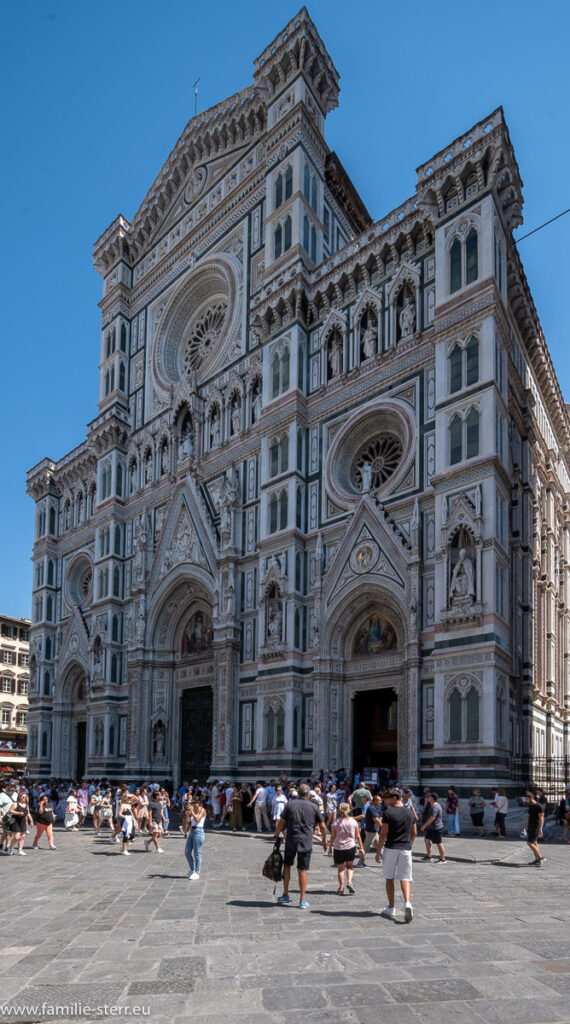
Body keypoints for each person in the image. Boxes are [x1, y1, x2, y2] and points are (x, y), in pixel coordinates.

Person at [274, 783, 327, 910]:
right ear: (308, 794)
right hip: (306, 842)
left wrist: (276, 834)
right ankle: (302, 900)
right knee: (302, 870)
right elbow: (324, 826)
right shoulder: (313, 806)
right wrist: (324, 840)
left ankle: (285, 894)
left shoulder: (290, 805)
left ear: (298, 793)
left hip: (291, 840)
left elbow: (281, 822)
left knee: (287, 866)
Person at [375, 787, 417, 922]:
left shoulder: (388, 813)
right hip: (406, 849)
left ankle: (391, 907)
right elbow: (414, 832)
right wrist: (409, 844)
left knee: (389, 878)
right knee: (405, 878)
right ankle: (407, 903)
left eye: (387, 799)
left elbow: (383, 833)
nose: (385, 801)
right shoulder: (410, 813)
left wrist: (378, 850)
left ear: (394, 798)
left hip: (391, 848)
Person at [330, 802, 365, 895]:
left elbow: (332, 836)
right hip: (350, 847)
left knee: (341, 869)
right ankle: (349, 882)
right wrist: (361, 847)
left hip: (338, 847)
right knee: (350, 866)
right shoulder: (354, 822)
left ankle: (341, 888)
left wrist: (330, 848)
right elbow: (358, 836)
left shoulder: (335, 822)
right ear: (349, 810)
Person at [356, 793, 383, 866]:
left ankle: (387, 860)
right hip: (371, 831)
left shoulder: (375, 808)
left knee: (378, 845)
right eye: (379, 801)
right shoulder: (372, 808)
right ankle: (360, 863)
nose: (381, 802)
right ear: (374, 801)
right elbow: (375, 820)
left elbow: (376, 819)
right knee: (365, 847)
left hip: (374, 831)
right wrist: (383, 827)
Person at [419, 793, 446, 863]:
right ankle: (429, 856)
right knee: (427, 840)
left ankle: (443, 859)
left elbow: (432, 818)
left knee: (439, 843)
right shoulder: (434, 805)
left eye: (429, 797)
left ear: (432, 798)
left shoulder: (435, 807)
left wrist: (424, 825)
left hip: (436, 828)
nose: (427, 798)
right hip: (432, 828)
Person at [185, 794, 206, 880]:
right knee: (187, 852)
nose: (193, 804)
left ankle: (197, 871)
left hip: (199, 832)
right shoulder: (192, 810)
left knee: (197, 853)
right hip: (192, 832)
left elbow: (197, 819)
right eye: (192, 802)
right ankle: (192, 869)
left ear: (199, 803)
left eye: (195, 803)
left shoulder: (202, 810)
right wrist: (187, 814)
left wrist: (192, 812)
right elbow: (188, 822)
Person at [523, 790, 545, 866]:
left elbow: (541, 818)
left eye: (526, 799)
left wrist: (540, 828)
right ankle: (537, 859)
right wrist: (524, 825)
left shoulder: (539, 806)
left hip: (535, 826)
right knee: (534, 843)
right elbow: (529, 816)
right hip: (531, 826)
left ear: (531, 798)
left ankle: (541, 858)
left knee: (529, 842)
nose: (526, 800)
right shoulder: (531, 806)